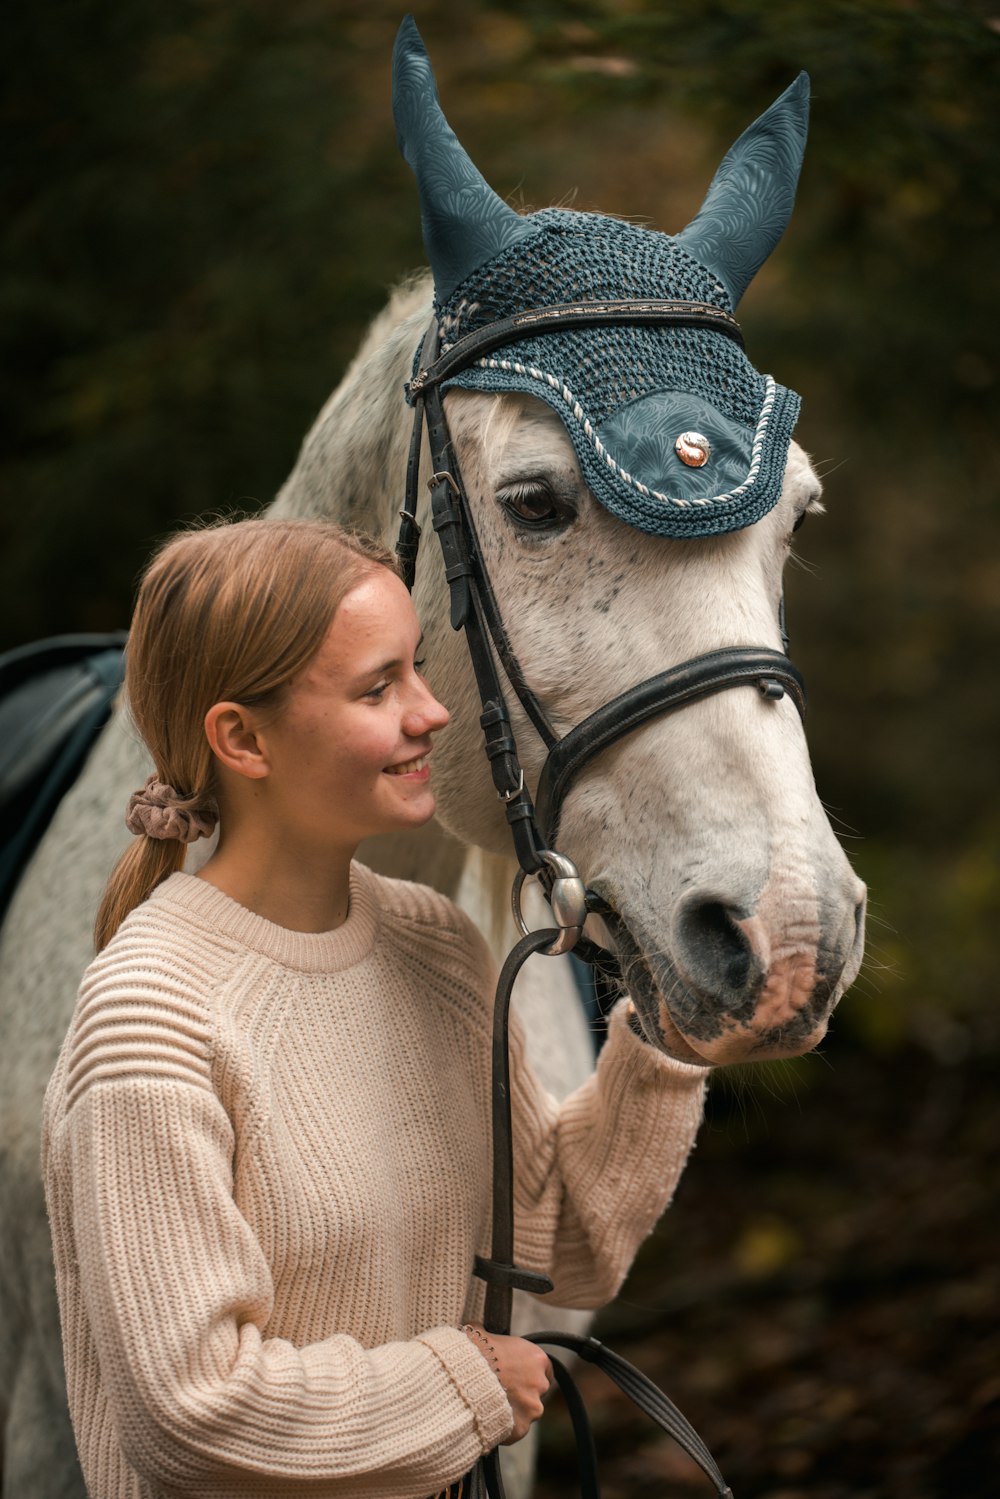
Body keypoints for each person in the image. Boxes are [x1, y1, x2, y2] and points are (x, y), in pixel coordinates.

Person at [41, 515, 708, 1499]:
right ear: (241, 737)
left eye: (419, 670)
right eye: (377, 686)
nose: (431, 713)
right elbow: (191, 1407)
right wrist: (463, 1380)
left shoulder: (433, 944)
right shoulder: (152, 1015)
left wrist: (668, 1035)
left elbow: (550, 1248)